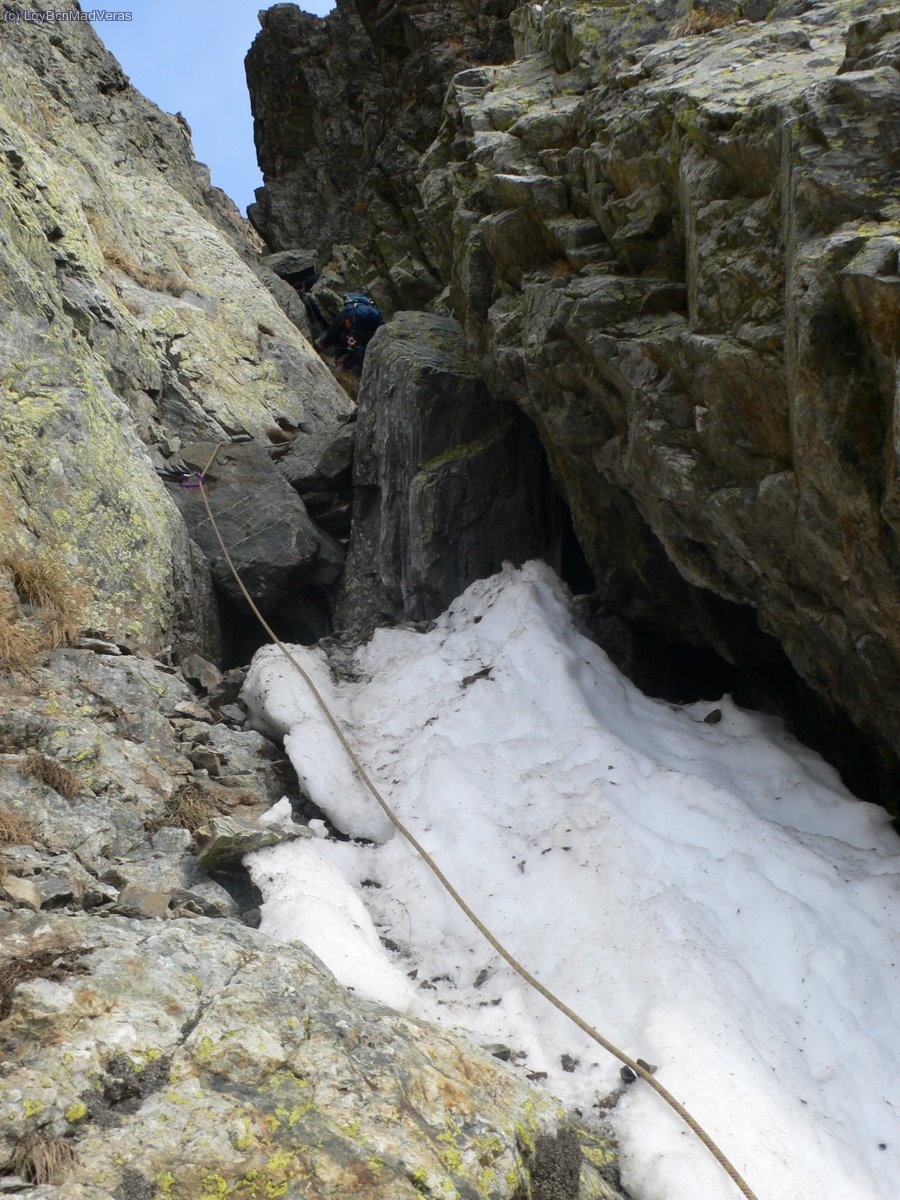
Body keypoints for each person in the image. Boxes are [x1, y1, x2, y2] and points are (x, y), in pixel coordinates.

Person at [315, 293, 384, 376]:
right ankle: (354, 378)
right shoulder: (374, 312)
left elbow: (335, 328)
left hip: (352, 337)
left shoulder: (349, 312)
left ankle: (347, 375)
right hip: (371, 338)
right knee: (360, 351)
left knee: (347, 346)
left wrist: (325, 343)